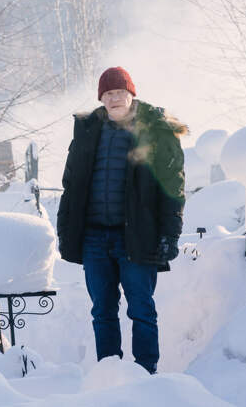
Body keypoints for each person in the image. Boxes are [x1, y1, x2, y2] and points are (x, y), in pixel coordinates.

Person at [56, 67, 187, 374]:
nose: (114, 99)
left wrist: (170, 235)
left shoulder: (156, 132)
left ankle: (146, 372)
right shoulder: (87, 133)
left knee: (141, 310)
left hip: (137, 236)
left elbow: (173, 189)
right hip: (94, 238)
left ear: (131, 95)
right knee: (102, 310)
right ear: (101, 98)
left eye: (120, 93)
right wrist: (66, 232)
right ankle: (109, 374)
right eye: (108, 93)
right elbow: (71, 187)